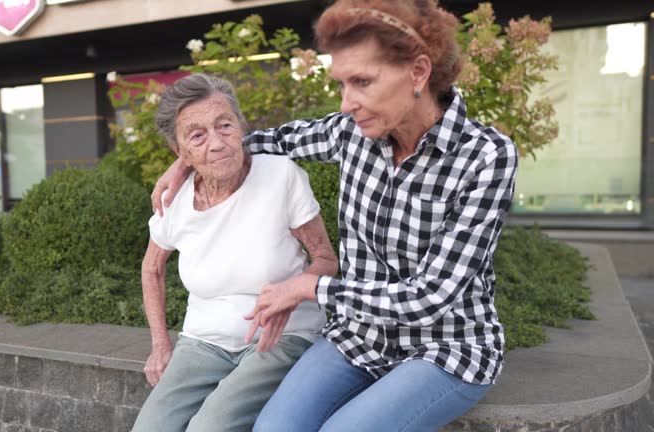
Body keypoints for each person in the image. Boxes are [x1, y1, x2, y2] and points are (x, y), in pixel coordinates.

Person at [152, 0, 519, 430]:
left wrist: (312, 287)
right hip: (357, 338)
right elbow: (261, 142)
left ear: (418, 73)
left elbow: (430, 297)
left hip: (445, 347)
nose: (346, 104)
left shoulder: (486, 157)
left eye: (362, 82)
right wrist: (185, 159)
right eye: (342, 85)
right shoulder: (352, 134)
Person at [131, 73, 338, 432]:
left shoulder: (280, 176)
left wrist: (294, 292)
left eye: (224, 125)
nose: (217, 142)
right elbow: (152, 268)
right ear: (180, 152)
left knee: (208, 428)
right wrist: (160, 344)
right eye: (198, 135)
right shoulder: (173, 200)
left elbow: (326, 259)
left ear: (240, 125)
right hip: (203, 341)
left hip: (281, 336)